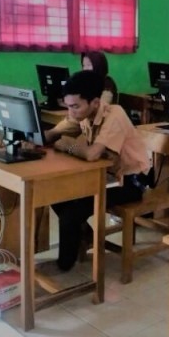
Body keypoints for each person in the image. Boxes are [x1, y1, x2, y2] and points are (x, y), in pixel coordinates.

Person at [46, 70, 149, 271]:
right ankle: (83, 234)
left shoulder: (115, 115)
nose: (71, 112)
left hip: (131, 182)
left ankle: (64, 268)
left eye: (75, 106)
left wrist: (66, 145)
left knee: (71, 214)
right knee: (54, 193)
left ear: (94, 102)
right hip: (103, 177)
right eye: (68, 106)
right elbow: (54, 133)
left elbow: (92, 154)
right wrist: (33, 138)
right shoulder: (82, 114)